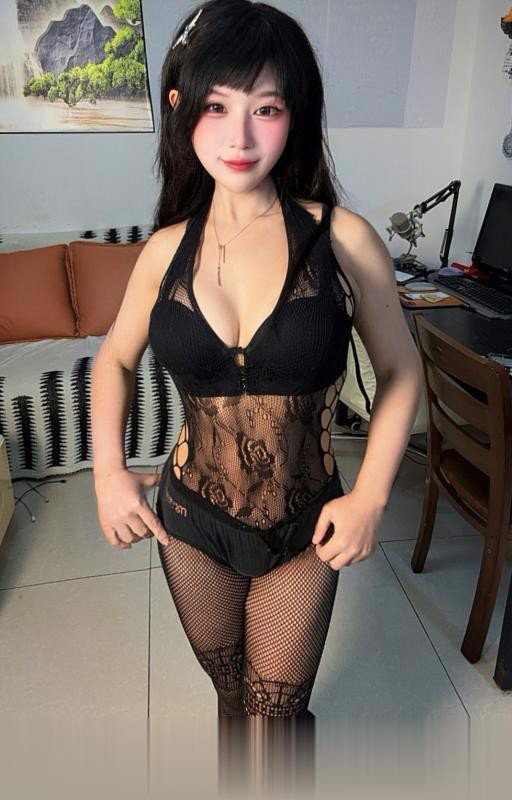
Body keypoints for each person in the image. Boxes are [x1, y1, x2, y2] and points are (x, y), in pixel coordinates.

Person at [91, 0, 422, 728]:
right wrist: (108, 471)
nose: (239, 136)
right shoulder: (163, 251)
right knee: (231, 701)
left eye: (265, 108)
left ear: (294, 115)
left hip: (306, 527)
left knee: (276, 720)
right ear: (180, 108)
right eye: (216, 106)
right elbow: (113, 360)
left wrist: (371, 496)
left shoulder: (343, 238)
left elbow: (402, 371)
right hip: (190, 520)